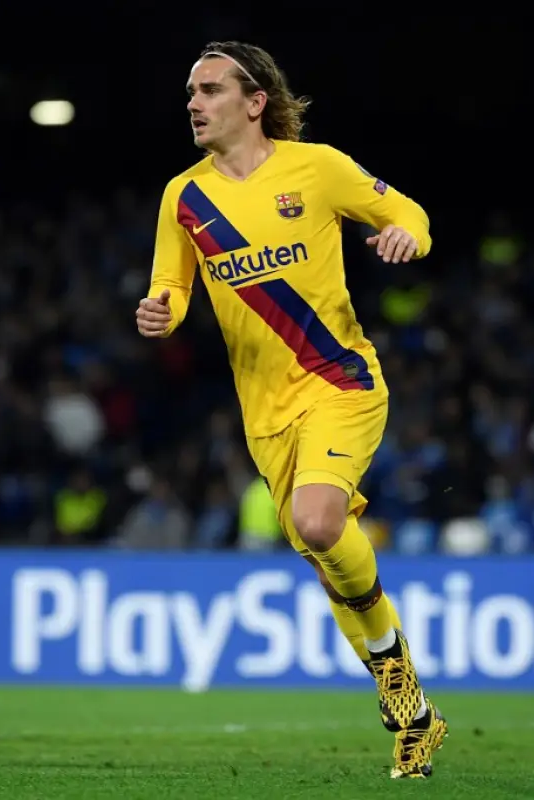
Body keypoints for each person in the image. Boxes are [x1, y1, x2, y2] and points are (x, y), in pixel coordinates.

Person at [136, 41, 446, 779]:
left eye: (209, 89)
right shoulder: (184, 196)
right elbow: (171, 285)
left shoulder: (319, 168)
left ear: (255, 101)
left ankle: (396, 682)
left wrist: (408, 233)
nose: (193, 102)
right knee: (322, 553)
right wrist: (162, 311)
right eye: (190, 91)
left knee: (316, 521)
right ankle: (410, 707)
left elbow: (407, 211)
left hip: (341, 382)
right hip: (263, 413)